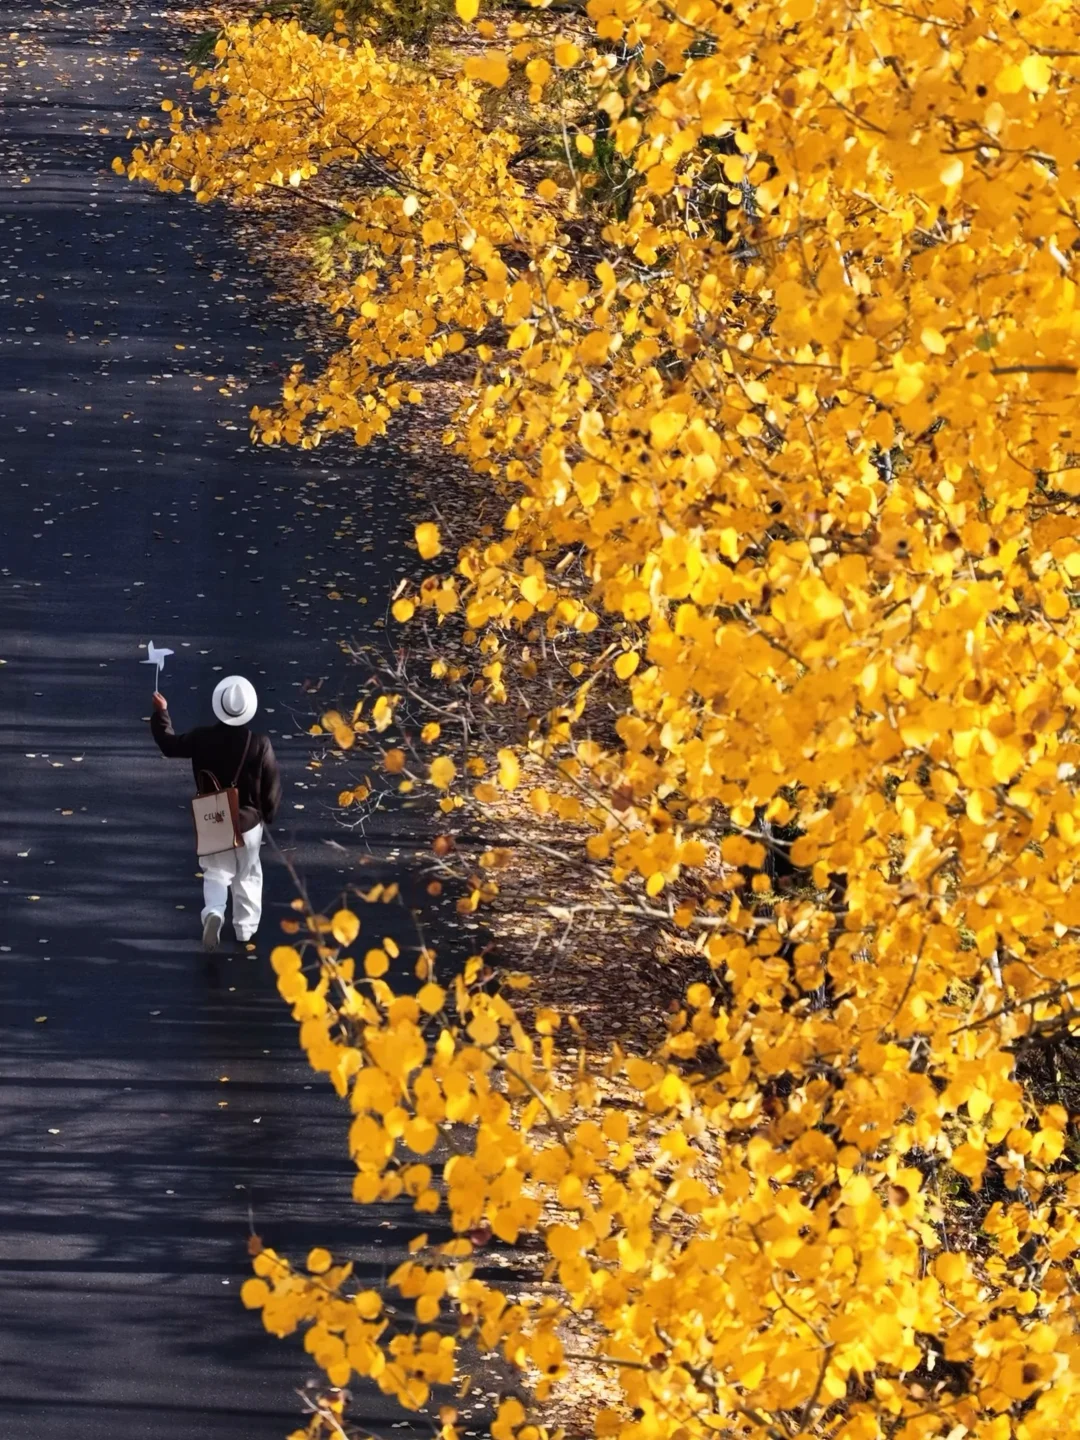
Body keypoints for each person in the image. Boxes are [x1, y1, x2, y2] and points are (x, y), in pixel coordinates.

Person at [151, 676, 282, 950]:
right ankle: (245, 931)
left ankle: (213, 911)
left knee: (215, 872)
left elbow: (169, 744)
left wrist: (161, 713)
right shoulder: (259, 744)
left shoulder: (201, 738)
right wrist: (267, 815)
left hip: (213, 815)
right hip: (247, 822)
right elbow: (271, 787)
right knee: (247, 873)